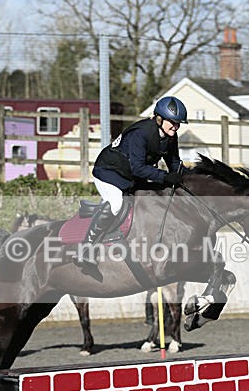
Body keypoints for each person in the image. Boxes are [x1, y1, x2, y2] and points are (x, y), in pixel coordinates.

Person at [74, 96, 188, 271]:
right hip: (108, 172)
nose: (176, 126)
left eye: (178, 123)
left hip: (129, 176)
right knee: (116, 204)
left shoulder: (171, 137)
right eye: (172, 122)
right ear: (159, 118)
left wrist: (185, 177)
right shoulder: (141, 133)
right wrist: (165, 177)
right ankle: (86, 247)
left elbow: (174, 162)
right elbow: (138, 168)